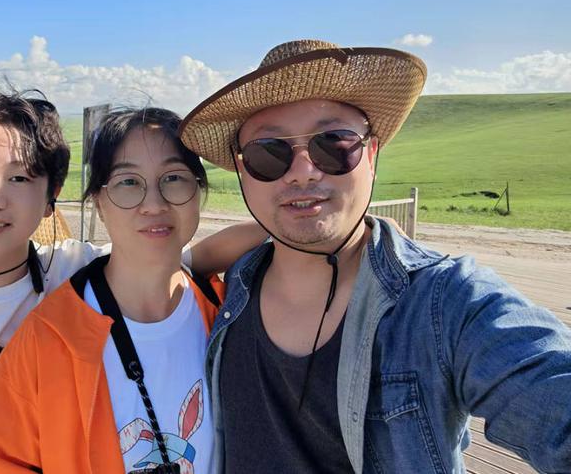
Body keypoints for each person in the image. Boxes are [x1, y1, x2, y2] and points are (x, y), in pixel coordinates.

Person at [178, 39, 571, 473]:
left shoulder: (442, 303)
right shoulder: (235, 284)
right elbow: (172, 266)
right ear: (242, 169)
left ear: (371, 153)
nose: (303, 171)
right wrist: (279, 226)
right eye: (268, 152)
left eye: (334, 143)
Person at [0, 87, 264, 474]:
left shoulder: (72, 269)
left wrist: (288, 228)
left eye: (19, 177)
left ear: (50, 198)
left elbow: (178, 256)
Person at [0, 108, 265, 473]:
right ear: (99, 201)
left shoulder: (228, 314)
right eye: (128, 182)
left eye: (174, 178)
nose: (154, 204)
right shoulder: (49, 339)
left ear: (198, 191)